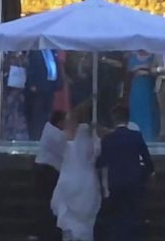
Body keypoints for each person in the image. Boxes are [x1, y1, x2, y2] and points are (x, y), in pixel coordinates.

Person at [96, 104, 154, 241]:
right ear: (128, 120)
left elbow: (101, 162)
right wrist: (143, 175)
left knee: (116, 216)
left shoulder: (108, 139)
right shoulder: (136, 136)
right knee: (132, 215)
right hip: (133, 182)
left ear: (114, 119)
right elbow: (148, 161)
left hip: (115, 182)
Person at [51, 101, 101, 241]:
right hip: (86, 181)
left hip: (71, 179)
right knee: (85, 224)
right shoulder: (92, 139)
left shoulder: (68, 138)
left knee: (70, 224)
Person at [34, 110, 67, 241]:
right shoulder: (54, 134)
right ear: (59, 122)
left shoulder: (50, 131)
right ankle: (48, 233)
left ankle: (48, 232)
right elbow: (64, 149)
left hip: (45, 170)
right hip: (47, 171)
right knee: (48, 204)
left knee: (47, 204)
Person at [25, 49, 62, 140]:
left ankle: (45, 136)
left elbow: (56, 66)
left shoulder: (53, 52)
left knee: (48, 113)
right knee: (38, 115)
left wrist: (58, 82)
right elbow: (31, 68)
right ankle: (36, 137)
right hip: (39, 87)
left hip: (50, 86)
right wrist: (32, 84)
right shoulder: (36, 52)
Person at [128, 51, 159, 142]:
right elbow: (130, 70)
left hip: (148, 86)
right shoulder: (133, 56)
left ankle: (149, 136)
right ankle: (134, 135)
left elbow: (154, 69)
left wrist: (146, 71)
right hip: (136, 86)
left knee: (149, 109)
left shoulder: (153, 56)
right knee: (136, 109)